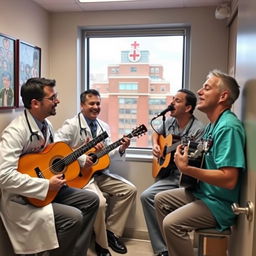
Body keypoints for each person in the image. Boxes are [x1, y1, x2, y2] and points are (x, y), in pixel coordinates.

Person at [0, 78, 99, 256]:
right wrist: (46, 185)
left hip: (48, 189)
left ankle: (76, 252)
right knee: (73, 217)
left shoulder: (47, 125)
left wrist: (81, 158)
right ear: (35, 103)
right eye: (53, 98)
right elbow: (4, 176)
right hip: (23, 199)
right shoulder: (15, 132)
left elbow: (50, 159)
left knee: (92, 200)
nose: (57, 101)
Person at [155, 70, 246, 256]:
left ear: (223, 96)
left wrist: (186, 168)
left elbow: (229, 179)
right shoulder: (213, 125)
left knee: (171, 224)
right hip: (203, 192)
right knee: (160, 199)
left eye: (206, 88)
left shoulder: (228, 127)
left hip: (218, 203)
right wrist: (186, 155)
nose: (199, 92)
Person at [55, 89, 137, 256]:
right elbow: (56, 150)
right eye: (91, 103)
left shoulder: (103, 126)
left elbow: (105, 156)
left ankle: (111, 232)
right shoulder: (71, 125)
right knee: (99, 202)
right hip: (81, 177)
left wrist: (121, 147)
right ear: (82, 105)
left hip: (100, 174)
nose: (95, 107)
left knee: (130, 191)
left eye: (98, 103)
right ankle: (101, 244)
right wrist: (82, 155)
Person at [140, 89, 205, 256]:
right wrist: (156, 145)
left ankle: (169, 245)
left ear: (188, 107)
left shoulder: (198, 130)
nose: (172, 103)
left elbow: (197, 159)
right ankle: (162, 249)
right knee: (147, 197)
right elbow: (156, 132)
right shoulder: (169, 122)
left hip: (185, 176)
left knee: (153, 199)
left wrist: (182, 154)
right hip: (167, 174)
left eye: (177, 100)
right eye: (173, 99)